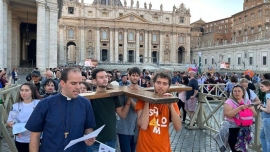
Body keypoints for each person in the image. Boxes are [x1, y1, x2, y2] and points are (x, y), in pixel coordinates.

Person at [25, 68, 96, 152]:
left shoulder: (86, 104)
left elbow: (88, 127)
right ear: (63, 83)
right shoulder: (45, 104)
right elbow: (35, 135)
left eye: (79, 83)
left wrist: (89, 137)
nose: (78, 87)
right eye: (73, 83)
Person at [135, 72, 181, 152]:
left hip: (163, 148)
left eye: (164, 84)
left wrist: (171, 106)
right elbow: (143, 125)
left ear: (168, 87)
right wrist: (147, 101)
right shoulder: (142, 101)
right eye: (158, 82)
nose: (161, 86)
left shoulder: (172, 102)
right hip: (144, 148)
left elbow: (178, 127)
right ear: (154, 84)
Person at [87, 68, 131, 152]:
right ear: (94, 81)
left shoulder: (113, 95)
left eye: (106, 76)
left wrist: (129, 98)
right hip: (94, 140)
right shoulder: (90, 97)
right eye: (101, 77)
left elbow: (122, 114)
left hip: (111, 139)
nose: (105, 79)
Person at [215, 85, 257, 152]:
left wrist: (252, 109)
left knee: (243, 149)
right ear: (232, 93)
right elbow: (228, 115)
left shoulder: (247, 101)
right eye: (235, 91)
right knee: (234, 148)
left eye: (239, 91)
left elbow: (254, 114)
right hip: (232, 129)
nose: (237, 93)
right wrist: (239, 108)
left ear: (243, 93)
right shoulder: (229, 102)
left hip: (245, 129)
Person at [7, 83, 40, 152]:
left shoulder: (39, 104)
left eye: (26, 90)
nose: (23, 93)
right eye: (22, 90)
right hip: (21, 140)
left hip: (37, 139)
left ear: (32, 91)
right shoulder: (15, 106)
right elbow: (9, 122)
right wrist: (12, 125)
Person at [117, 67, 140, 152]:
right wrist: (130, 96)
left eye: (137, 75)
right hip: (124, 128)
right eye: (133, 75)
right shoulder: (123, 91)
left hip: (136, 129)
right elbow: (123, 112)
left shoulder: (142, 90)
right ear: (129, 76)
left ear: (139, 77)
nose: (135, 77)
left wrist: (130, 97)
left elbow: (138, 110)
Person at [258, 80, 270, 152]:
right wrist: (264, 105)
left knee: (268, 139)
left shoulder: (268, 95)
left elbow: (268, 110)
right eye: (260, 86)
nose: (260, 88)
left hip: (267, 119)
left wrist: (260, 107)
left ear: (268, 87)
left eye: (262, 86)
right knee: (262, 135)